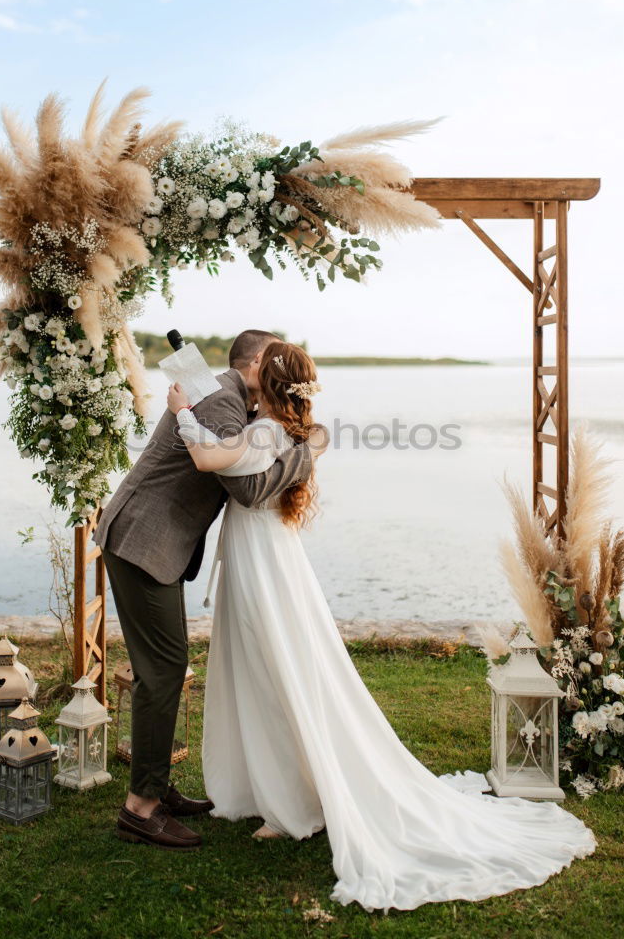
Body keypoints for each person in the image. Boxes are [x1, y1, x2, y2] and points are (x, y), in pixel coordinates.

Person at [167, 338, 596, 913]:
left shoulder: (266, 433)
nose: (246, 380)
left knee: (275, 669)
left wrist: (182, 414)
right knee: (264, 665)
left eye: (255, 374)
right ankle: (271, 789)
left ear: (265, 384)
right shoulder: (283, 431)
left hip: (264, 563)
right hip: (264, 555)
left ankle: (292, 805)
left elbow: (207, 460)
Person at [94, 329, 325, 850]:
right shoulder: (222, 400)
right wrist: (306, 452)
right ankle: (141, 808)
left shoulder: (225, 395)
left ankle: (155, 787)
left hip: (152, 543)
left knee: (165, 667)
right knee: (163, 671)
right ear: (261, 362)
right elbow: (245, 486)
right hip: (142, 542)